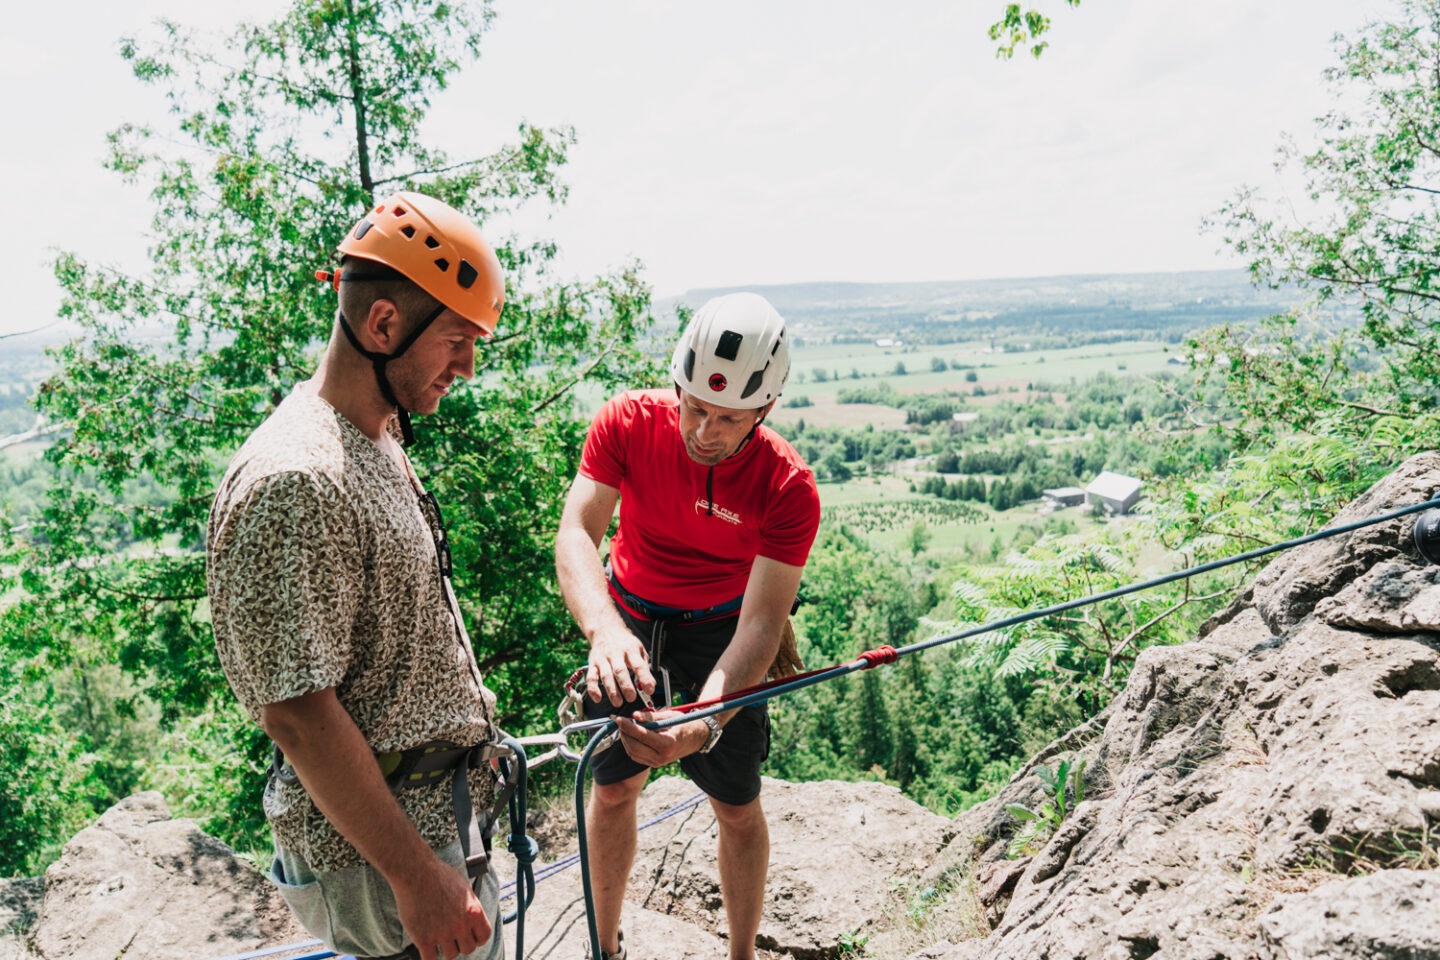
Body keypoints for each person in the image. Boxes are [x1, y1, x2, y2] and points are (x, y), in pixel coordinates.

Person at [207, 191, 508, 960]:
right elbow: (298, 714)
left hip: (432, 825)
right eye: (457, 340)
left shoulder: (370, 437)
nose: (468, 367)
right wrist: (417, 880)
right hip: (389, 862)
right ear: (383, 324)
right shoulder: (297, 479)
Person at [554, 292, 821, 960]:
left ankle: (740, 955)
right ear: (676, 383)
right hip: (629, 616)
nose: (705, 430)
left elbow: (763, 621)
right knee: (613, 789)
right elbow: (577, 533)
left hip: (723, 633)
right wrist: (606, 633)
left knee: (735, 804)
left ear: (766, 409)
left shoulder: (786, 486)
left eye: (729, 418)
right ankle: (605, 947)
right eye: (694, 406)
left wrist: (705, 720)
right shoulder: (628, 423)